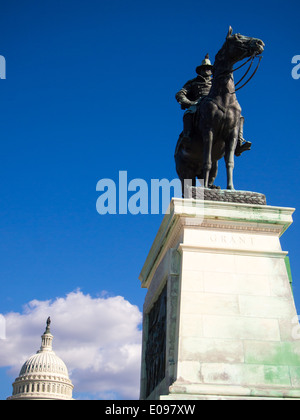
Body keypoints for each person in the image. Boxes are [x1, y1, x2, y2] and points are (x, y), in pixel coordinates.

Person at [175, 54, 251, 156]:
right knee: (189, 112)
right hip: (199, 102)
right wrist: (188, 102)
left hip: (217, 103)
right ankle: (187, 136)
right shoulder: (193, 82)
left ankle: (239, 141)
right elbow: (181, 93)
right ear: (201, 70)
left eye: (209, 68)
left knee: (238, 116)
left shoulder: (217, 81)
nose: (207, 70)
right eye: (204, 68)